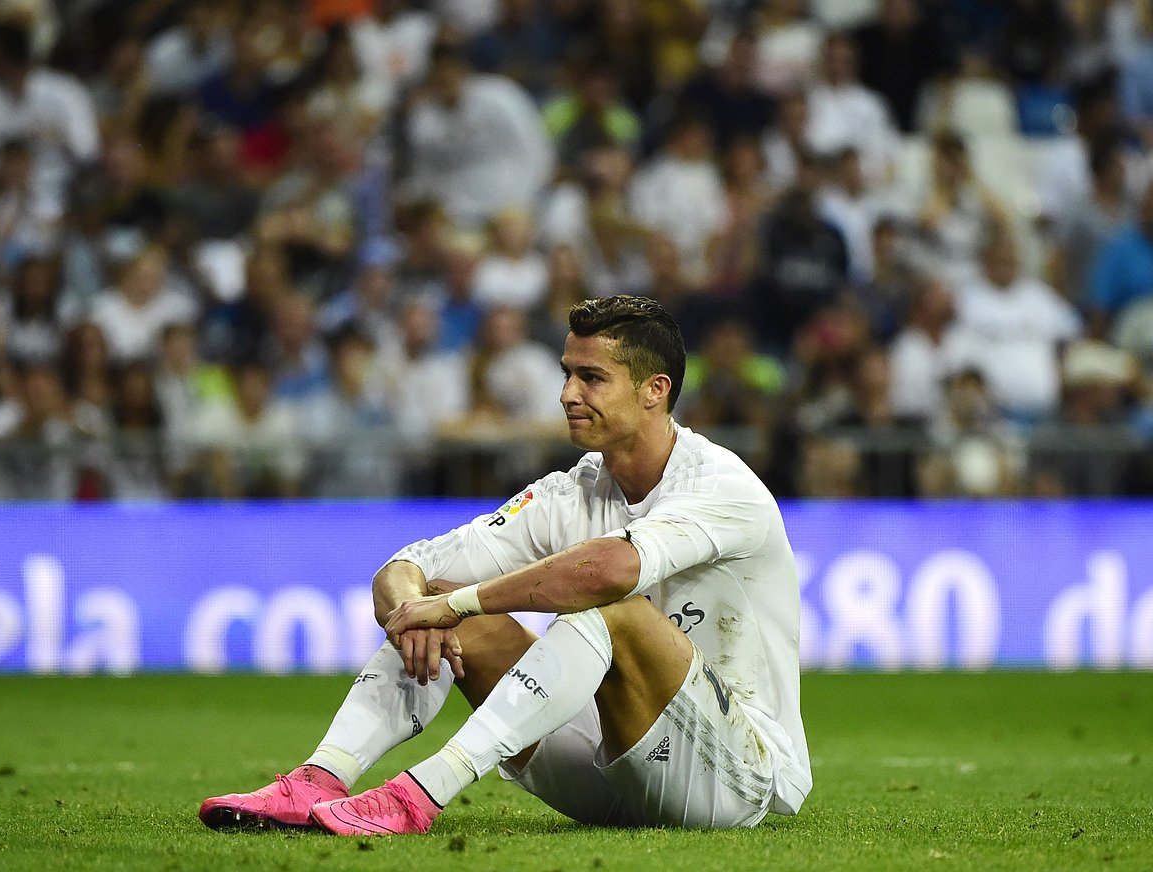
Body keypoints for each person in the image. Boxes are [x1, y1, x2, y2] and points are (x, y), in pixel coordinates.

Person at [198, 294, 811, 834]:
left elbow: (609, 572)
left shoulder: (722, 484)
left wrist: (455, 602)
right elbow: (408, 565)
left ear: (656, 389)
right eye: (567, 374)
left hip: (734, 776)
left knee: (611, 613)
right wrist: (425, 608)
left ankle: (420, 793)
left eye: (592, 378)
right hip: (608, 771)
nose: (568, 394)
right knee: (439, 600)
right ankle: (321, 777)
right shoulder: (570, 492)